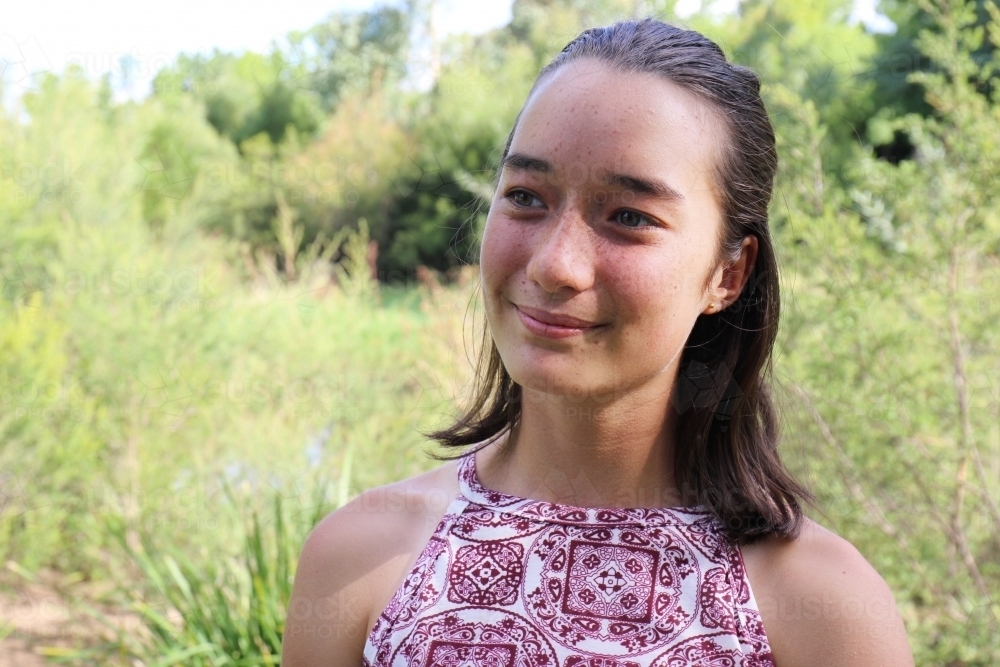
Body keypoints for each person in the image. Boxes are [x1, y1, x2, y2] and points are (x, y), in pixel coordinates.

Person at [282, 18, 913, 667]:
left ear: (728, 274)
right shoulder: (356, 559)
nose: (555, 264)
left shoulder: (824, 608)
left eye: (630, 217)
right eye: (526, 197)